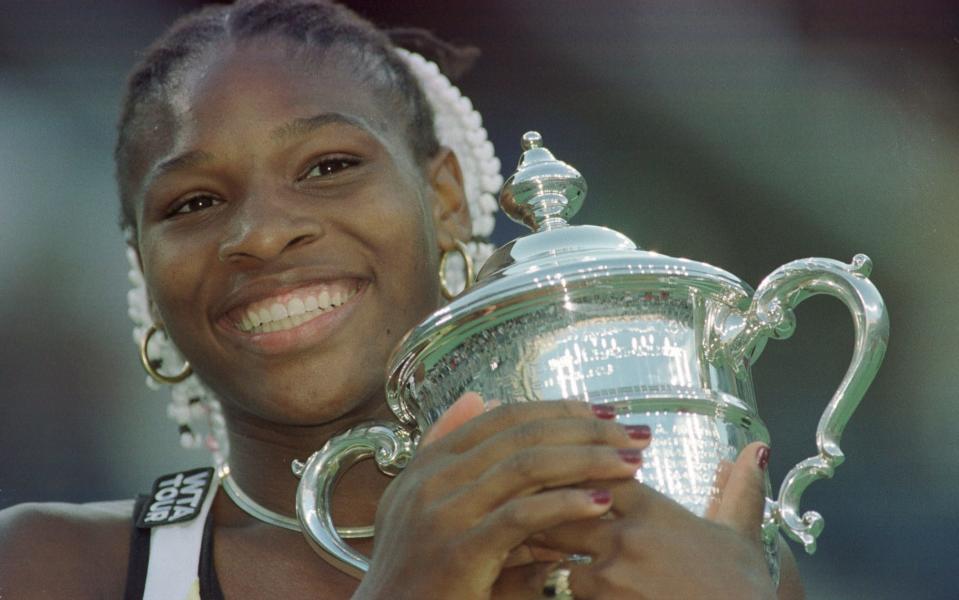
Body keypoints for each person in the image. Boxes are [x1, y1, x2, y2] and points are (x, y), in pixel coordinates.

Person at [0, 1, 803, 598]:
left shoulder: (667, 531)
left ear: (445, 198)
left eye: (328, 166)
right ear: (145, 266)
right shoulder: (50, 567)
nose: (262, 234)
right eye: (192, 204)